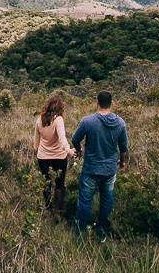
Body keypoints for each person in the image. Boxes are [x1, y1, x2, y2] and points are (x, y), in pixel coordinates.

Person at [71, 90, 129, 241]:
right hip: (109, 170)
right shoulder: (120, 123)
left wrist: (79, 150)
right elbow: (123, 149)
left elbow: (75, 138)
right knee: (106, 201)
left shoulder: (88, 121)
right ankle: (101, 230)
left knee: (85, 201)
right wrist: (122, 164)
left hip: (90, 169)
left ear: (97, 102)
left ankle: (79, 232)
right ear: (111, 103)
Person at [33, 93, 76, 214]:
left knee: (46, 182)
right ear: (60, 107)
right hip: (59, 157)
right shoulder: (58, 120)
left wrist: (39, 151)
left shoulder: (39, 119)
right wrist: (69, 150)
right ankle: (59, 211)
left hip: (42, 157)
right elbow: (62, 138)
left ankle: (48, 208)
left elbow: (36, 142)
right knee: (59, 184)